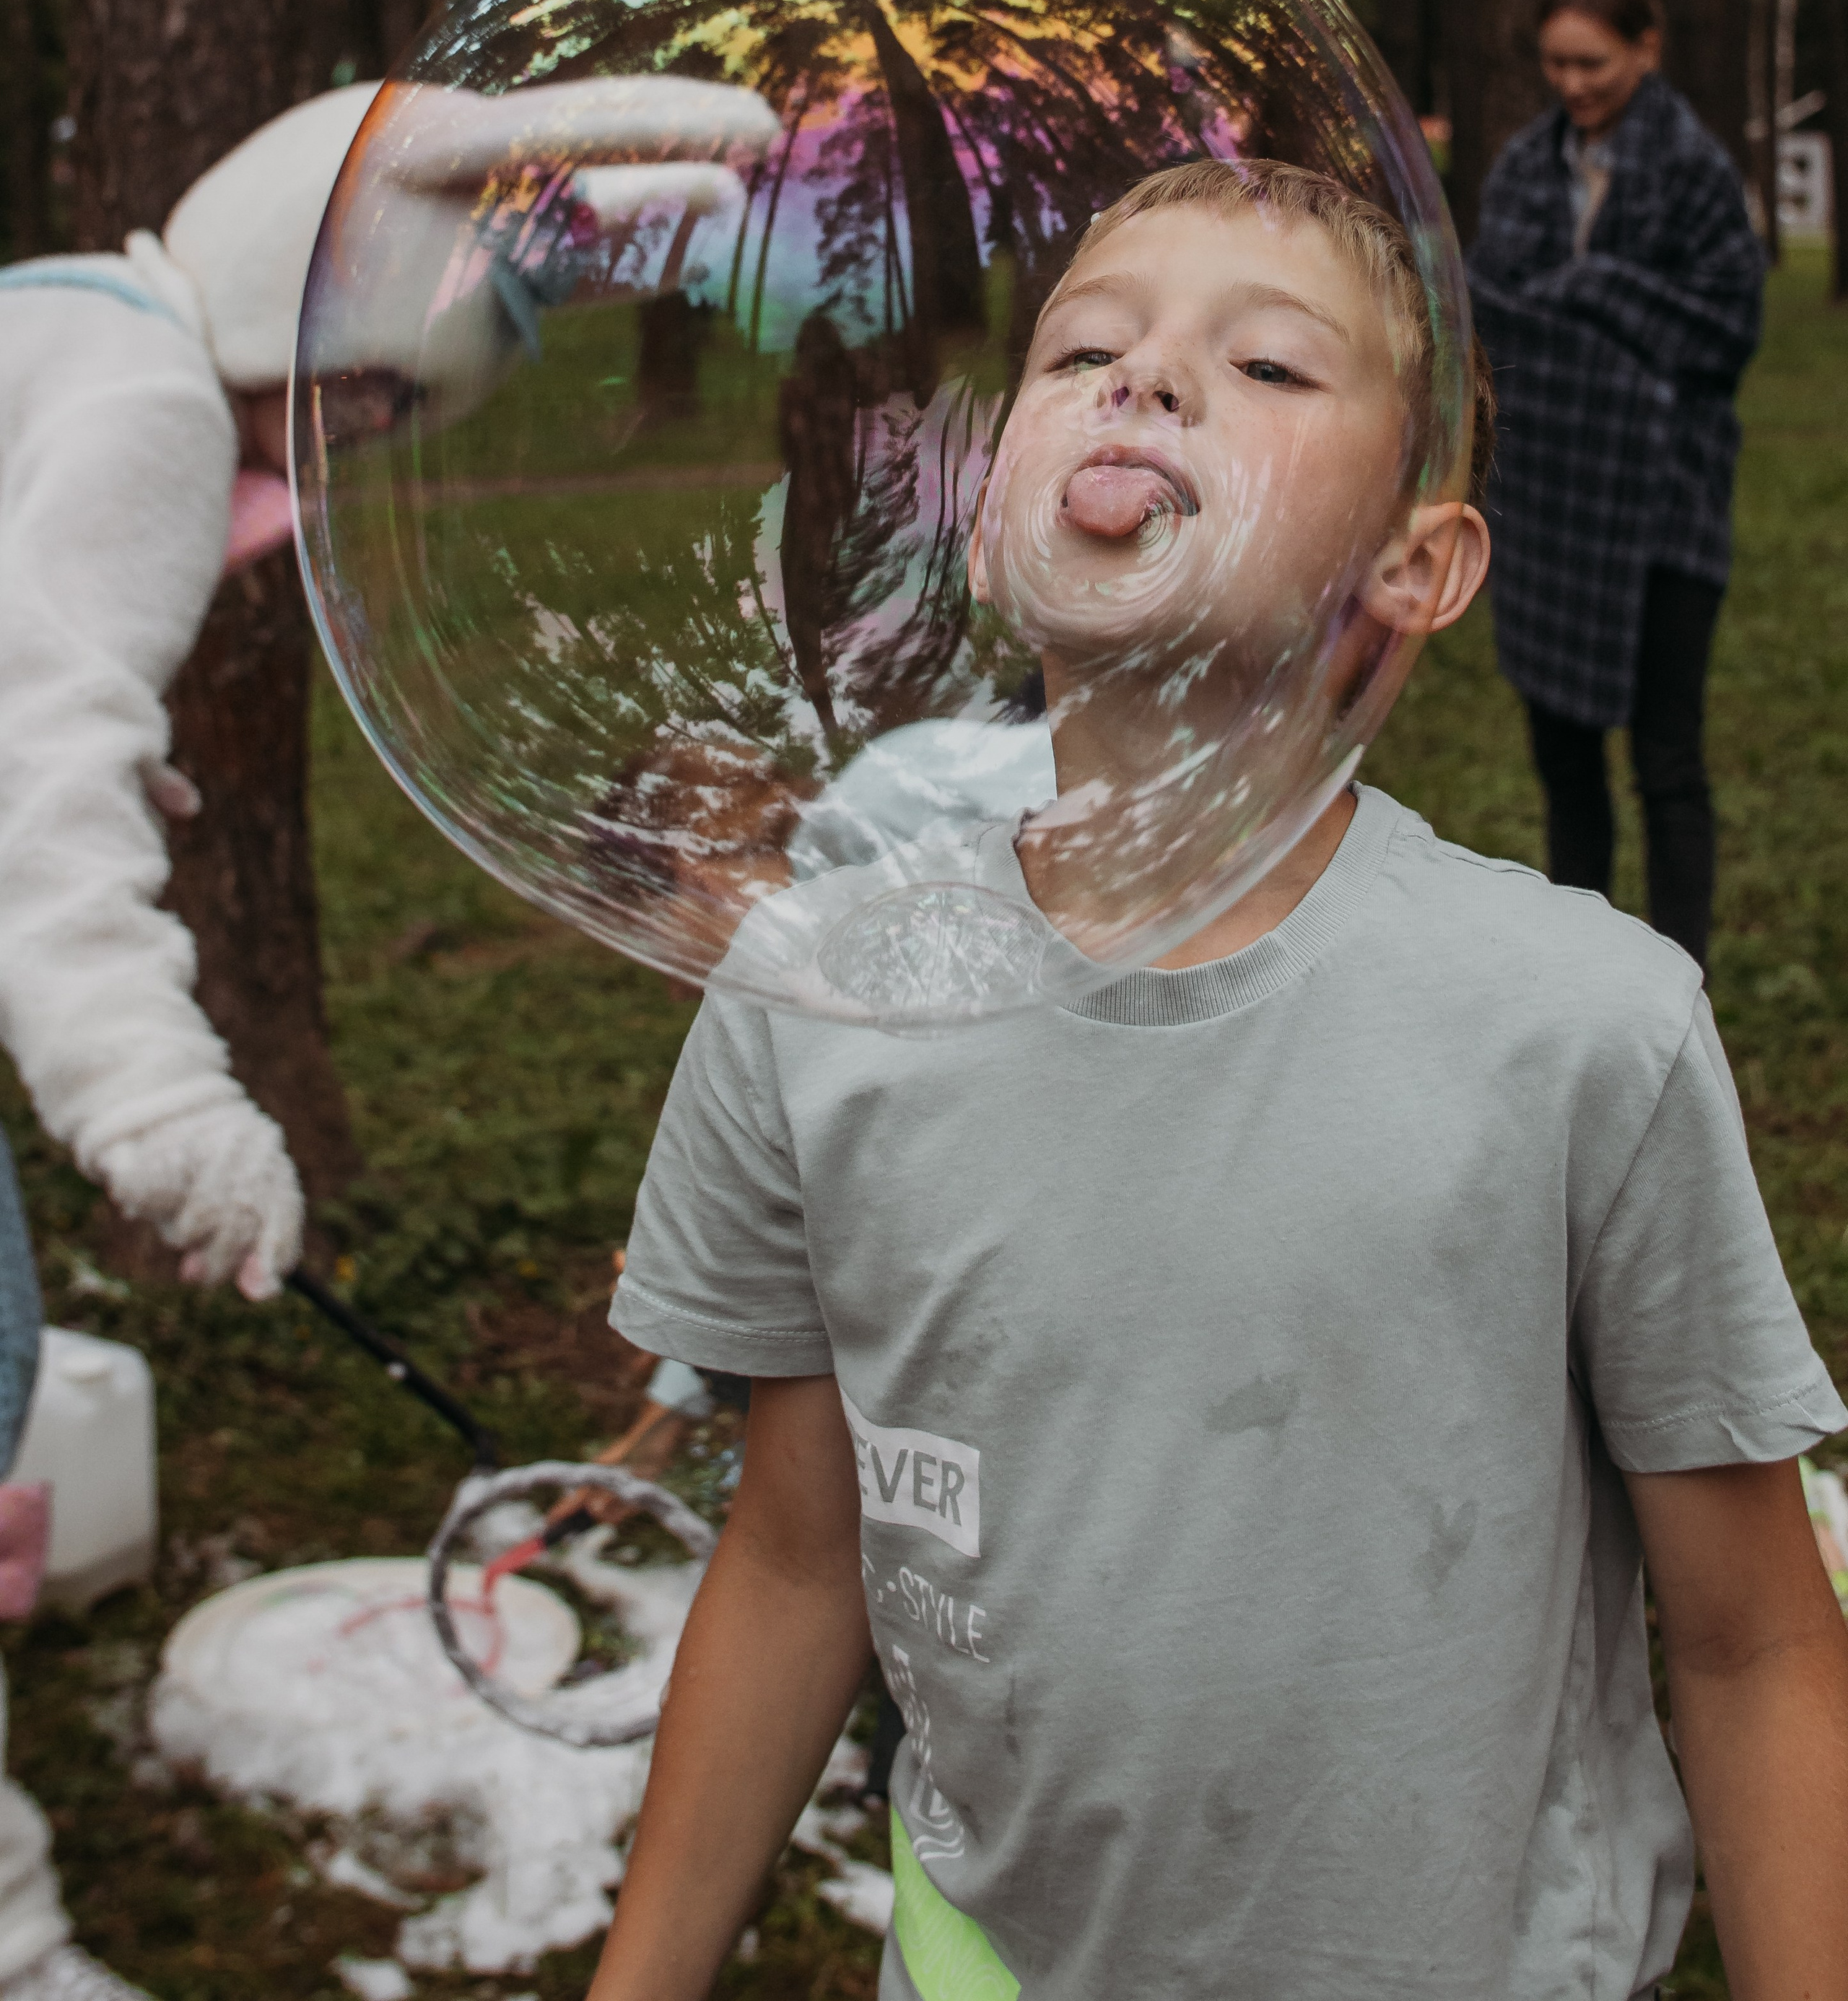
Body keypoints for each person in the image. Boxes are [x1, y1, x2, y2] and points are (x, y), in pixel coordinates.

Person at [592, 157, 1848, 2000]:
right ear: (984, 515)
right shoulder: (824, 1001)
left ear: (1414, 567)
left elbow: (1746, 1647)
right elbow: (797, 1557)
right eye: (1081, 347)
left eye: (1263, 368)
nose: (1142, 378)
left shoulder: (1578, 1022)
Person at [0, 84, 380, 2001]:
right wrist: (159, 1104)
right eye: (376, 389)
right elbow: (33, 779)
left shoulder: (62, 310)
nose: (370, 438)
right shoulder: (162, 404)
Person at [1468, 0, 1764, 974]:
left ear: (1647, 46)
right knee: (1566, 763)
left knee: (1667, 760)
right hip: (1550, 506)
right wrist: (1603, 321)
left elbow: (1726, 332)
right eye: (1557, 63)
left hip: (1667, 508)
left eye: (1593, 62)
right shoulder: (1520, 167)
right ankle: (1584, 981)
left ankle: (1679, 984)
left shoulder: (1696, 173)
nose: (1574, 85)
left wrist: (1592, 294)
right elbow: (1490, 315)